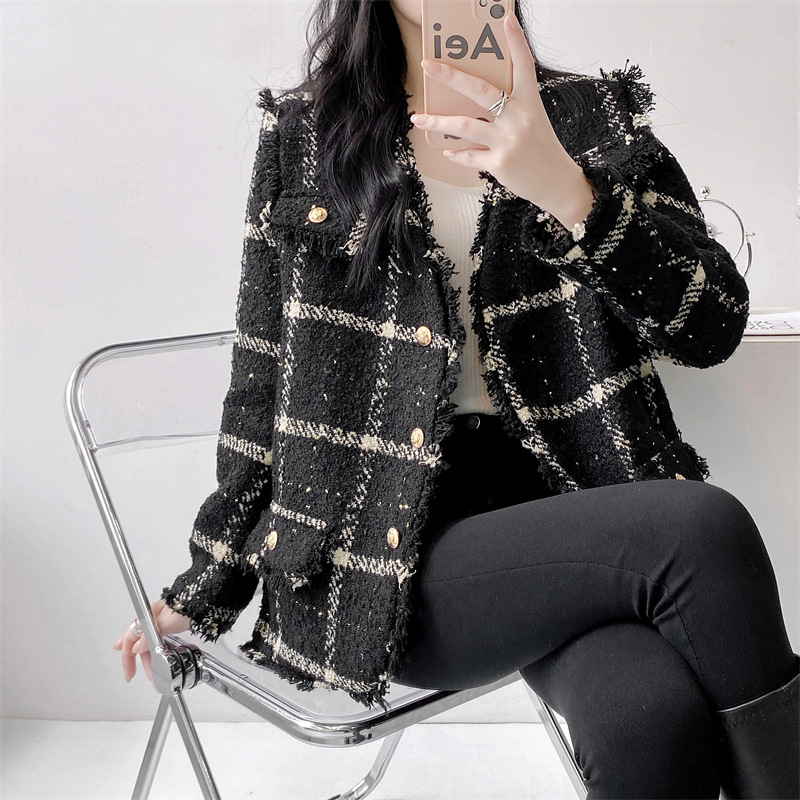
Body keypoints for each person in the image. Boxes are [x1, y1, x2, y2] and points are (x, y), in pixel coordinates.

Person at [114, 1, 800, 796]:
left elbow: (711, 326)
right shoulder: (308, 138)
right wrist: (206, 586)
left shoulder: (589, 118)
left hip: (575, 517)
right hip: (388, 555)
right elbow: (260, 381)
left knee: (646, 716)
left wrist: (569, 190)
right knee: (699, 527)